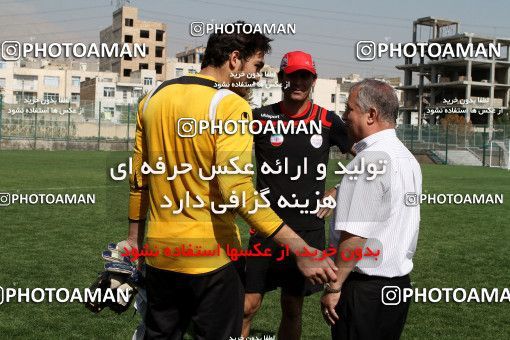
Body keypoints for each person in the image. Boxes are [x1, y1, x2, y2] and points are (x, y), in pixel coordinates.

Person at [124, 22, 338, 340]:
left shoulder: (152, 97)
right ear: (235, 60)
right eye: (256, 66)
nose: (256, 76)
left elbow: (139, 179)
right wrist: (301, 249)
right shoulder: (230, 104)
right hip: (211, 261)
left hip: (158, 255)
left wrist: (132, 240)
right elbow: (237, 191)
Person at [242, 51, 353, 339]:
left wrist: (339, 190)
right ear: (281, 78)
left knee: (292, 307)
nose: (298, 82)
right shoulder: (261, 118)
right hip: (265, 228)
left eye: (305, 76)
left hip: (307, 229)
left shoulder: (327, 121)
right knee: (247, 305)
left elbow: (369, 158)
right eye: (292, 75)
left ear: (313, 81)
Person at [320, 79, 422, 340]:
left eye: (349, 108)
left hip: (365, 290)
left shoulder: (368, 161)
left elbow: (354, 237)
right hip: (397, 287)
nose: (344, 116)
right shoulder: (406, 158)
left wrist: (334, 287)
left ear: (371, 115)